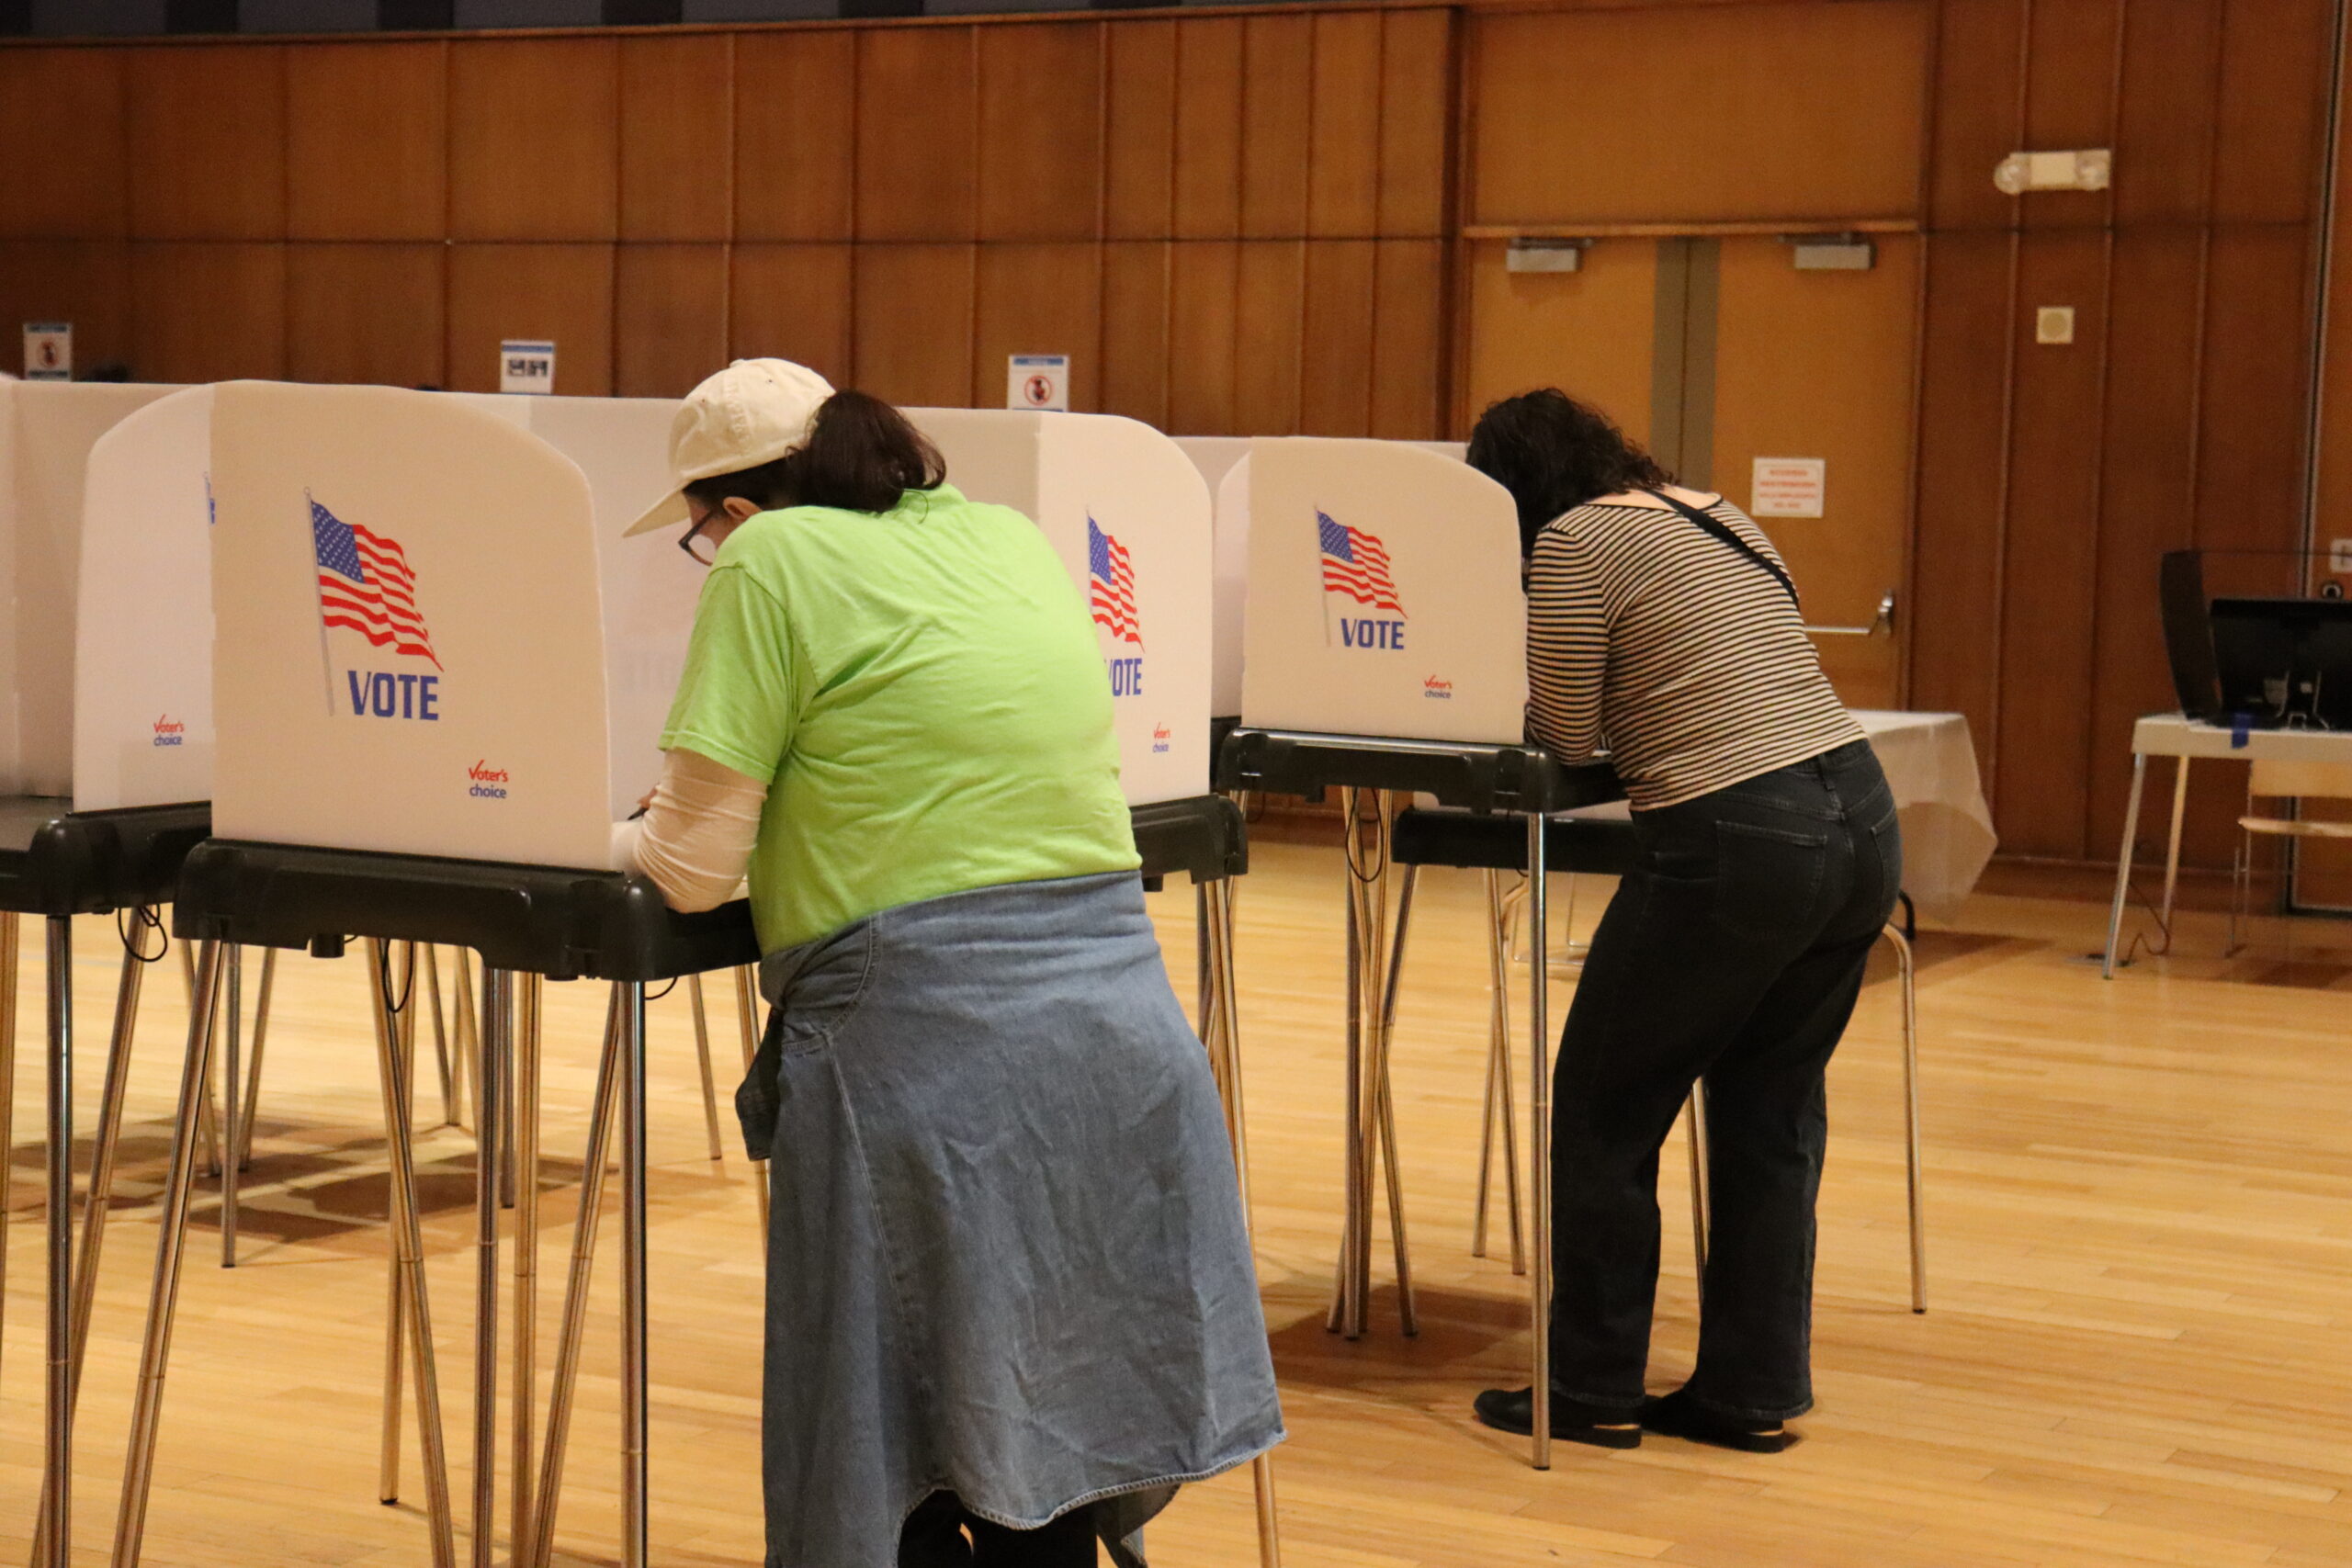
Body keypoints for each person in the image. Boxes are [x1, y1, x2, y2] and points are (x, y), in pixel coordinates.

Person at [615, 359, 1283, 1566]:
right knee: (1049, 1436)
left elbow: (692, 865)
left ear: (740, 508)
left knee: (904, 1444)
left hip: (928, 1056)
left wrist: (590, 824)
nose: (710, 550)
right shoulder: (1007, 538)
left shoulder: (771, 560)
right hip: (1117, 1034)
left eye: (701, 529)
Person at [1463, 388, 1900, 1454]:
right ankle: (1750, 1394)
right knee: (1769, 1112)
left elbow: (1565, 726)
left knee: (1605, 1109)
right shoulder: (1717, 512)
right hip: (1859, 818)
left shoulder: (1571, 540)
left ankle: (1591, 1384)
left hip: (1736, 835)